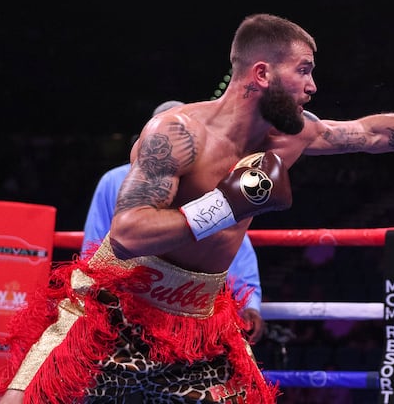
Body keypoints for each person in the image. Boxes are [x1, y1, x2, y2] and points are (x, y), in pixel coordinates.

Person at [0, 12, 394, 403]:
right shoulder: (177, 133)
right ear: (261, 74)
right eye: (303, 70)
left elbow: (369, 133)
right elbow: (128, 233)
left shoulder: (292, 136)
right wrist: (224, 205)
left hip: (200, 318)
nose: (313, 86)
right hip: (120, 307)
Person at [81, 100, 266, 345]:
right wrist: (95, 302)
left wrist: (250, 304)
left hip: (191, 303)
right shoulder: (113, 180)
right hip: (125, 300)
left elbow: (232, 240)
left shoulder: (214, 178)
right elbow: (95, 248)